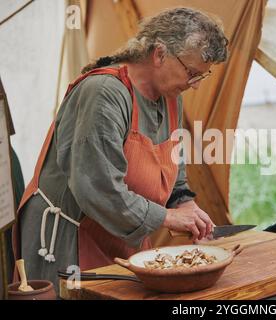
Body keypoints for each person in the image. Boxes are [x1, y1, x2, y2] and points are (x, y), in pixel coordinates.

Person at [13, 7, 228, 289]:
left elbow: (175, 174)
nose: (195, 85)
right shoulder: (104, 92)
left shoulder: (171, 97)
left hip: (122, 234)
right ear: (160, 54)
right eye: (191, 73)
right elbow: (97, 186)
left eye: (201, 76)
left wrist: (186, 206)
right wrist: (168, 217)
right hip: (69, 237)